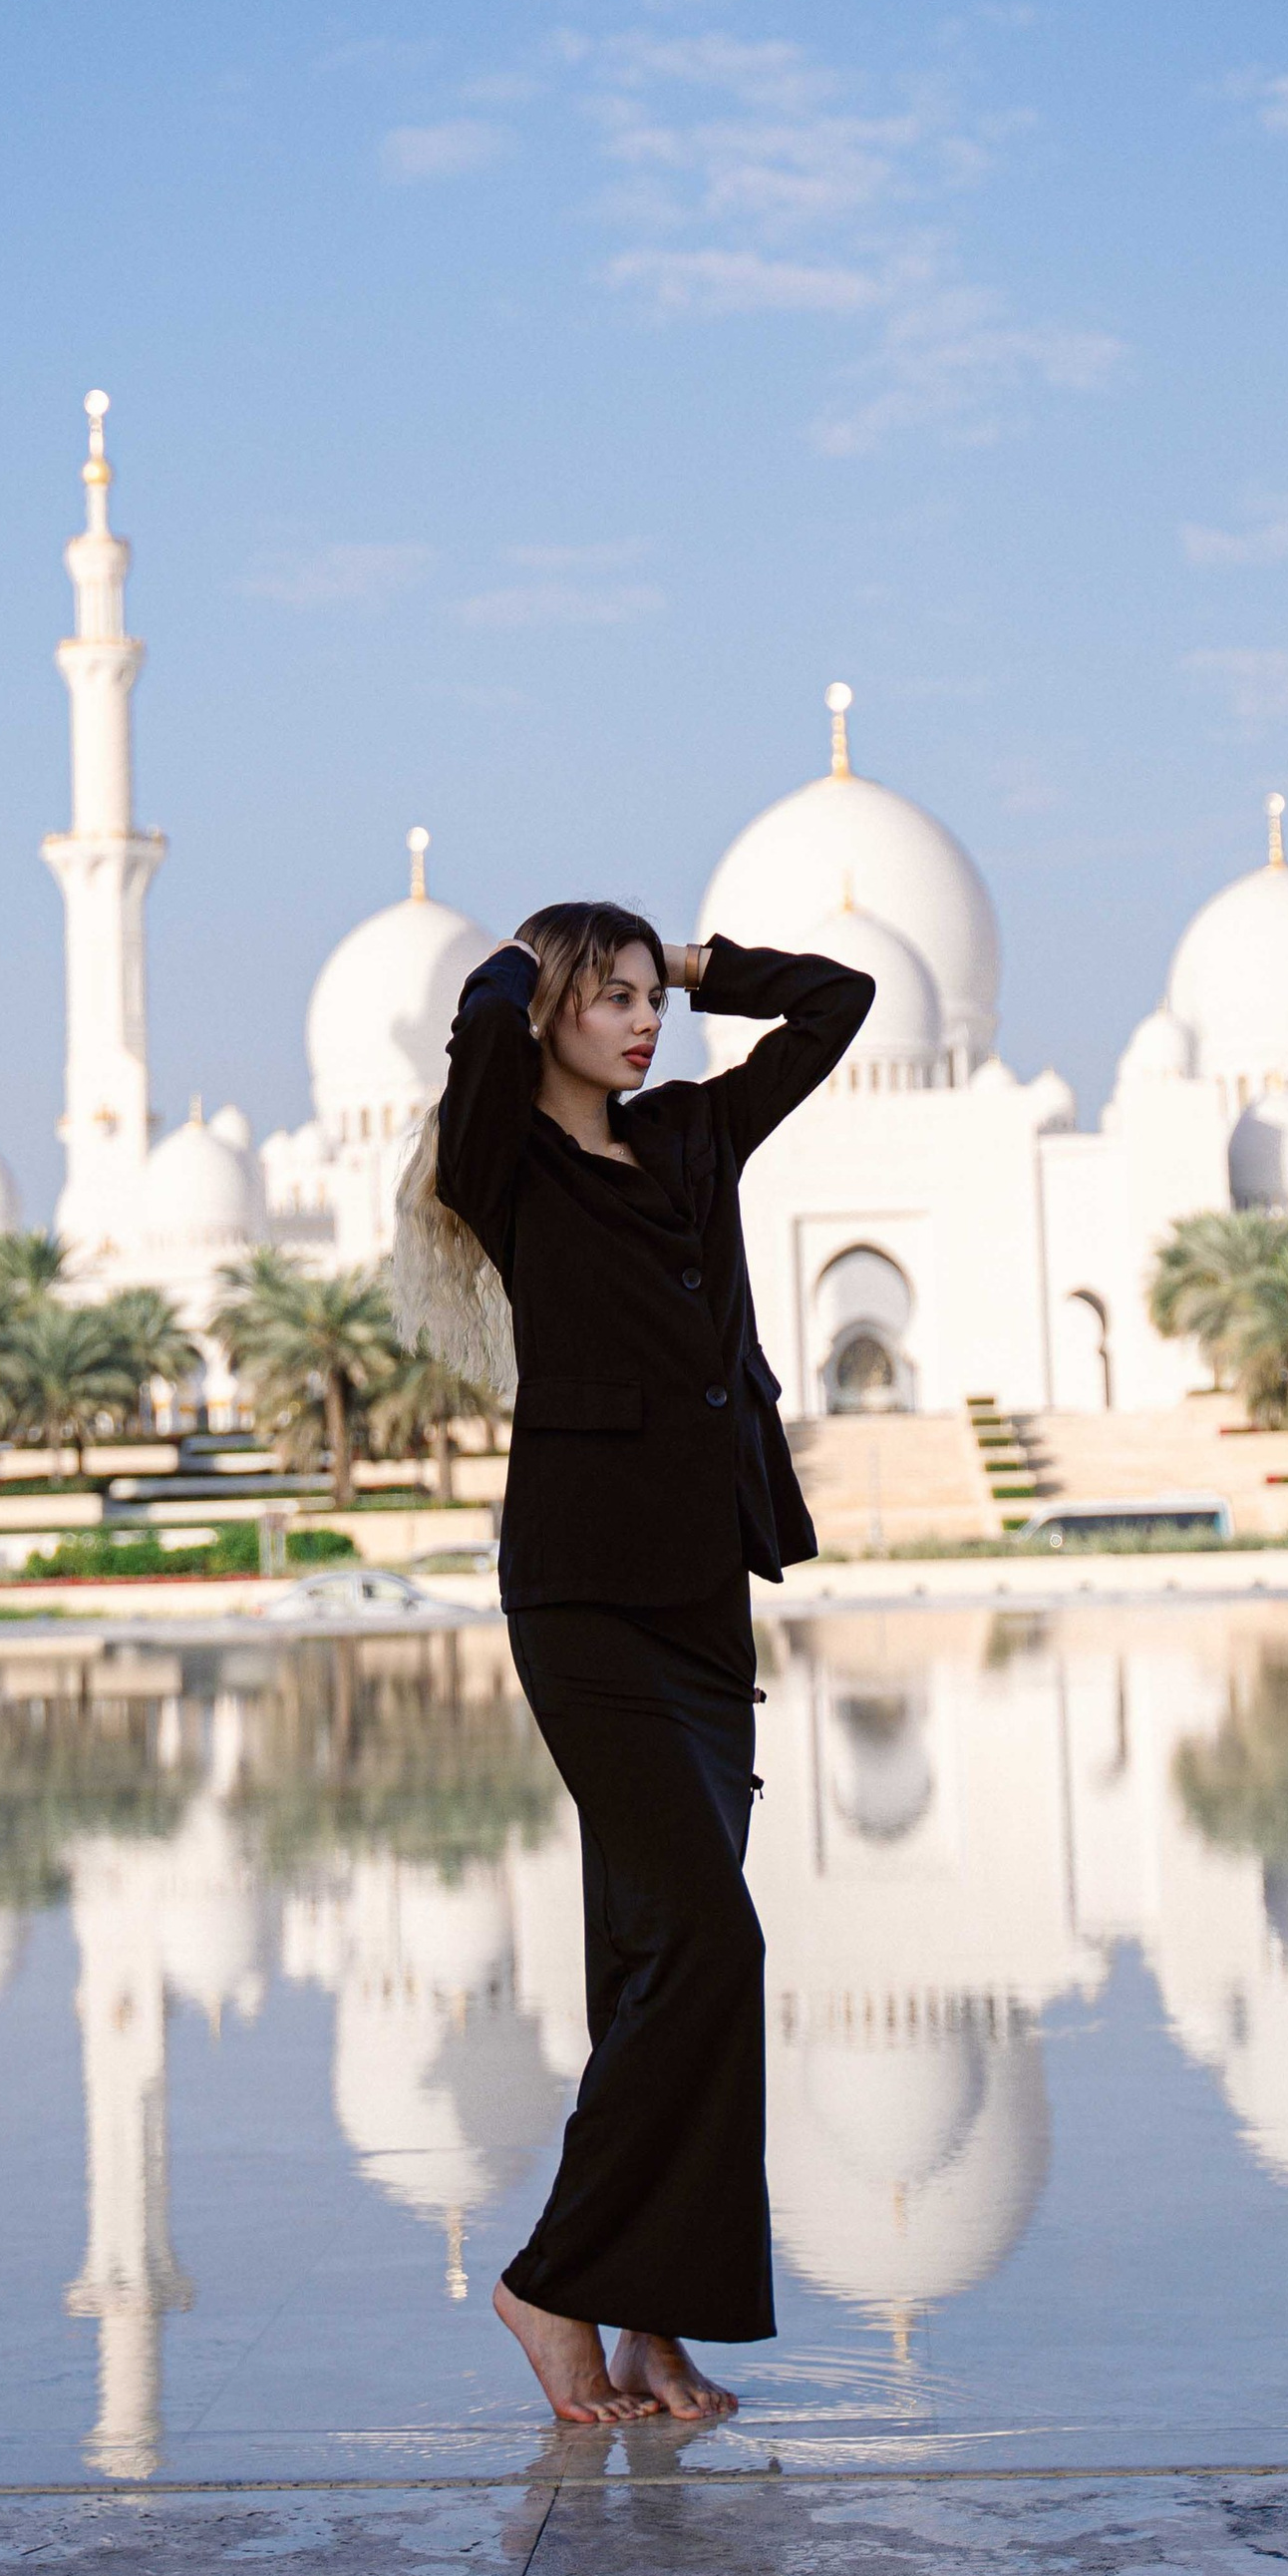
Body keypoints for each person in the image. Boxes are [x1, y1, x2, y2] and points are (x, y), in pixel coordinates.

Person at [395, 903, 872, 2422]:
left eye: (643, 996)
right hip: (584, 1600)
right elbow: (478, 1042)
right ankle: (548, 2284)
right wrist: (518, 971)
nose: (640, 1020)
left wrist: (697, 964)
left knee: (659, 1966)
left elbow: (841, 1004)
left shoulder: (684, 1140)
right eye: (606, 999)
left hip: (697, 1600)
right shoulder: (505, 1165)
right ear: (546, 1012)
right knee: (709, 1943)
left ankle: (655, 2317)